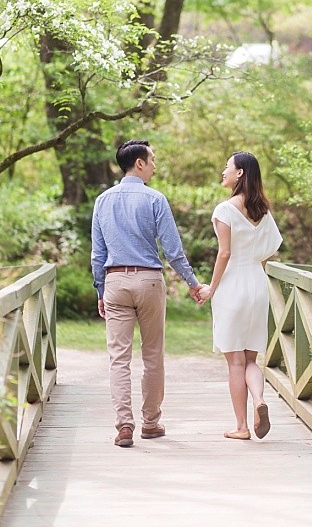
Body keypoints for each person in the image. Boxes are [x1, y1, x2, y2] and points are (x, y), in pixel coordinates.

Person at [91, 139, 207, 448]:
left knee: (118, 358)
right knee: (153, 356)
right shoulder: (155, 199)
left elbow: (97, 253)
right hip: (149, 282)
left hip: (115, 281)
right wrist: (192, 283)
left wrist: (101, 289)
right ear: (139, 163)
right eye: (152, 160)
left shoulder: (103, 201)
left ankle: (124, 426)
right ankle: (151, 423)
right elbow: (173, 250)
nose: (155, 165)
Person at [194, 152, 282, 441]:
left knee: (235, 362)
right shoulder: (263, 211)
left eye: (227, 168)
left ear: (240, 173)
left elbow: (225, 253)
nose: (223, 171)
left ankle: (242, 427)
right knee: (251, 359)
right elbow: (271, 251)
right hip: (257, 284)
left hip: (233, 286)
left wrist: (211, 288)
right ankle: (259, 400)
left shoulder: (225, 210)